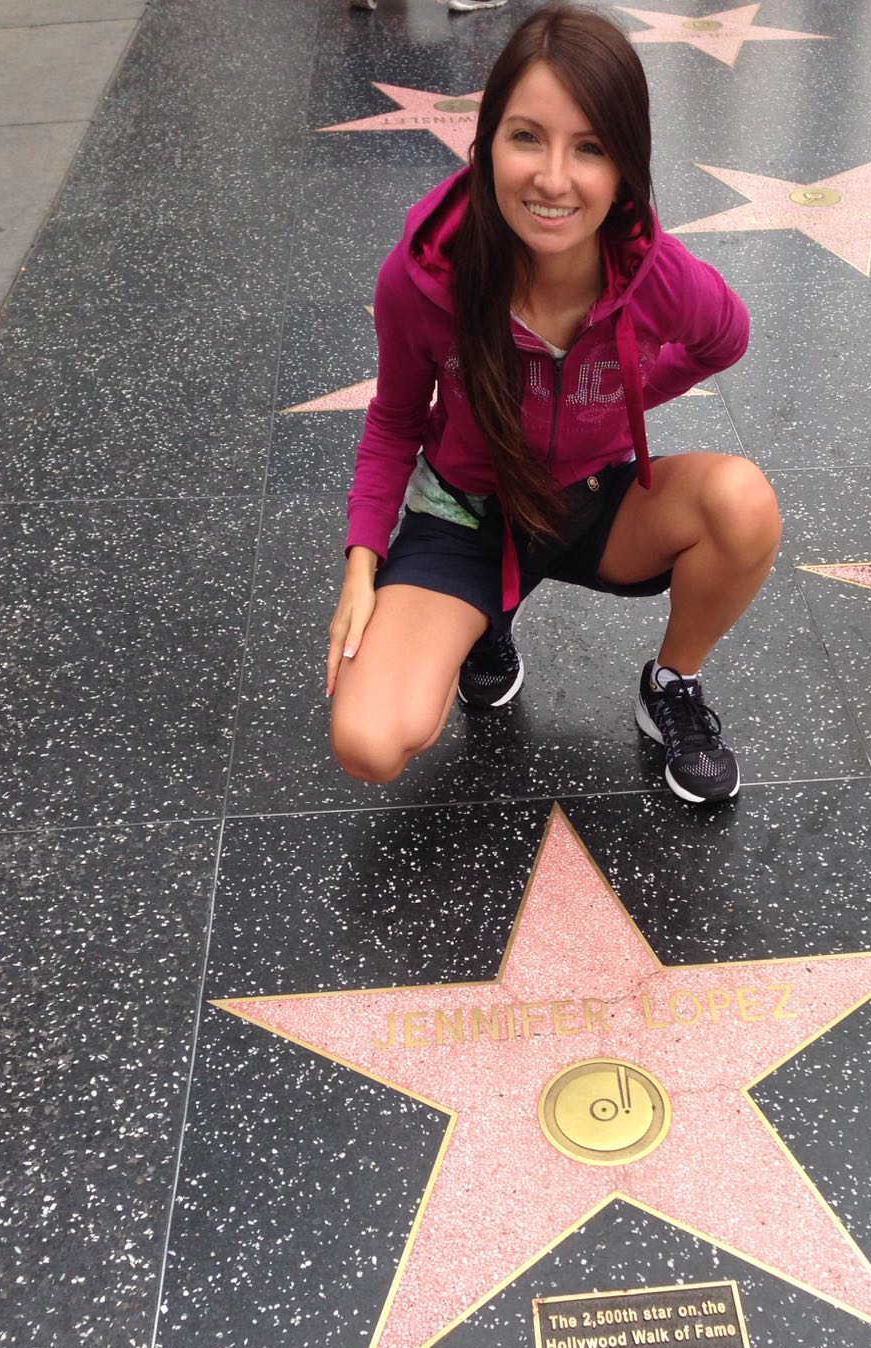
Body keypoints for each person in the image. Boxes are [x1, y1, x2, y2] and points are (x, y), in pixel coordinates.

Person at [328, 3, 780, 804]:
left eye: (590, 148)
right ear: (487, 142)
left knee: (742, 503)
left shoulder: (656, 274)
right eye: (527, 137)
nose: (553, 179)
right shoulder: (422, 277)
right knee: (370, 741)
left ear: (625, 165)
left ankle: (671, 685)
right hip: (466, 518)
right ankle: (483, 627)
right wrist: (362, 565)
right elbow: (395, 420)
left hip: (594, 503)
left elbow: (725, 338)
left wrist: (610, 411)